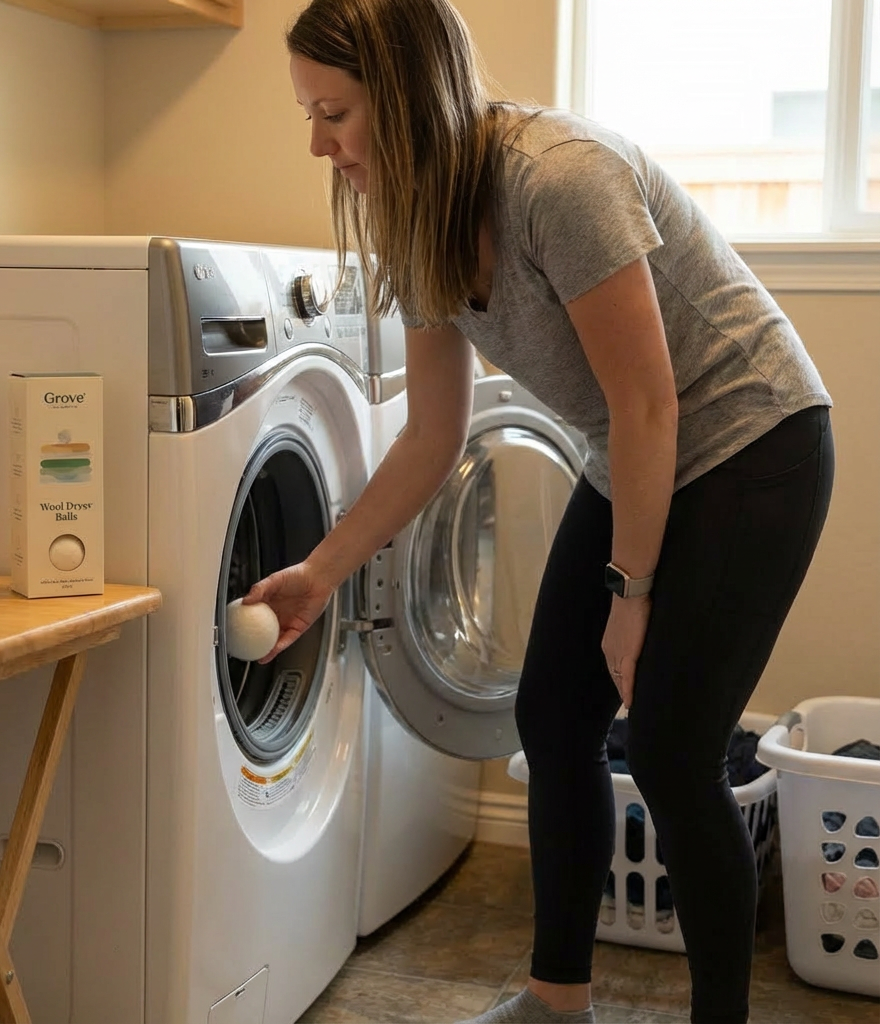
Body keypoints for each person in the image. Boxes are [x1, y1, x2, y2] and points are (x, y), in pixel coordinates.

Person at [243, 1, 835, 1021]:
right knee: (554, 717)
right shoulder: (414, 219)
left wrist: (631, 592)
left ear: (408, 97)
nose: (317, 142)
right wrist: (320, 570)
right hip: (636, 454)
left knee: (670, 749)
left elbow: (651, 401)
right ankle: (556, 1001)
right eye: (309, 113)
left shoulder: (560, 178)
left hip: (753, 446)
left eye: (332, 112)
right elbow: (432, 436)